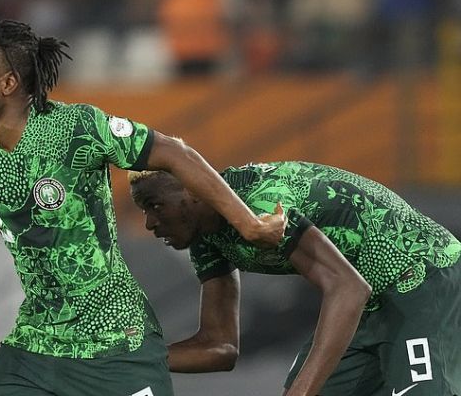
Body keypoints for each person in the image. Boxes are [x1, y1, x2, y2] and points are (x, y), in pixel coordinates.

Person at [0, 20, 287, 396]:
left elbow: (176, 154)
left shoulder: (77, 127)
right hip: (36, 349)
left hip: (118, 342)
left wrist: (248, 224)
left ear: (8, 83)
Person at [128, 161, 461, 396]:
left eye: (155, 205)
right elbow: (220, 346)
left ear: (195, 190)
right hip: (367, 303)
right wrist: (126, 357)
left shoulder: (262, 204)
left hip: (420, 278)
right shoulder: (207, 236)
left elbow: (348, 288)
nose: (149, 223)